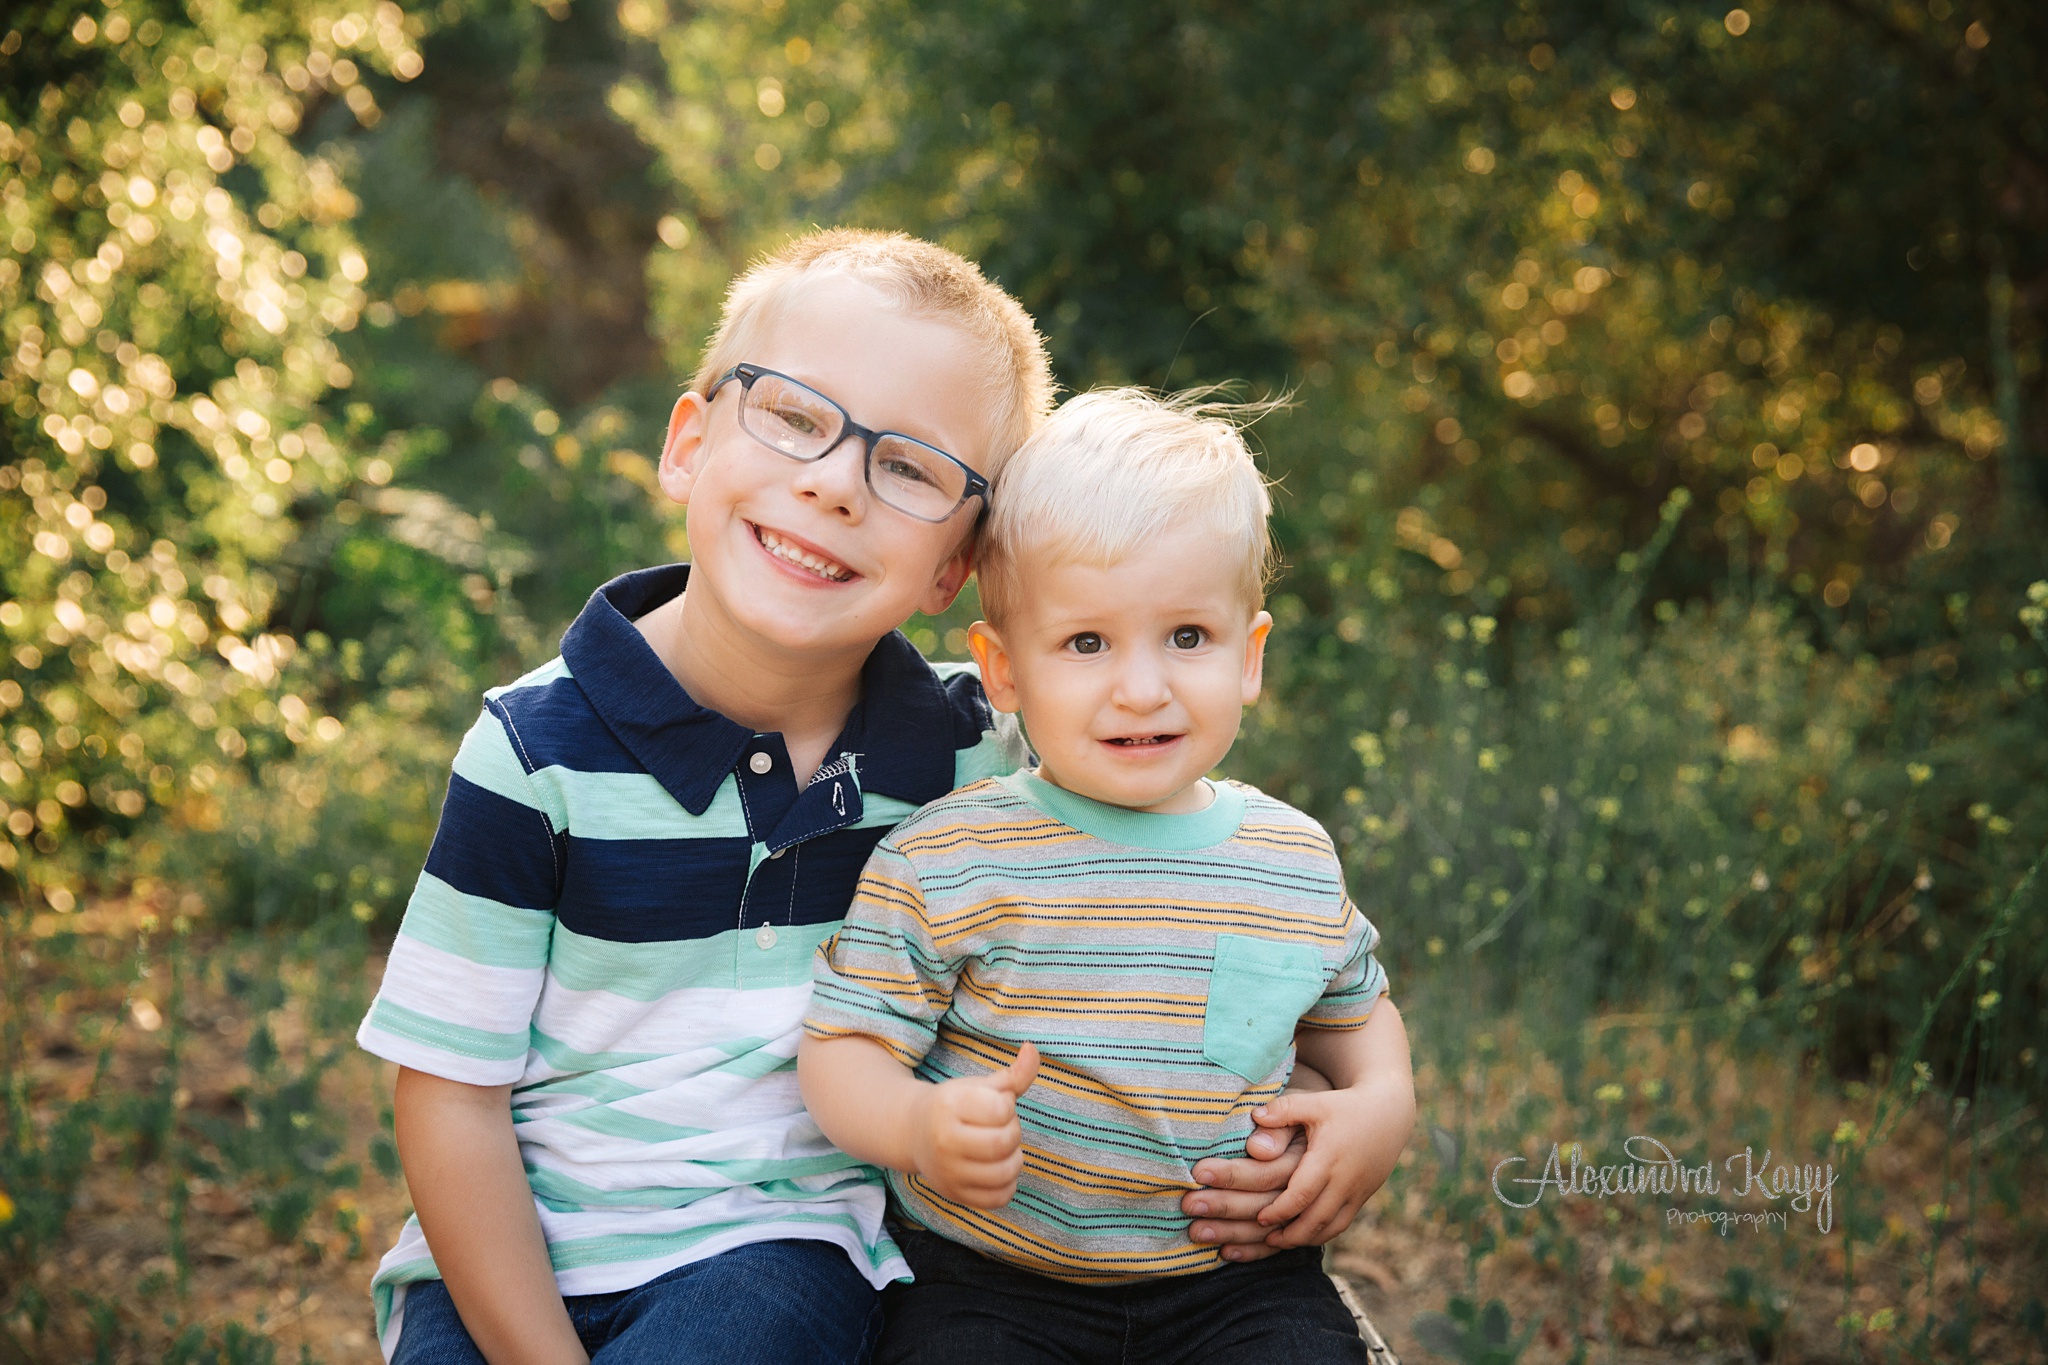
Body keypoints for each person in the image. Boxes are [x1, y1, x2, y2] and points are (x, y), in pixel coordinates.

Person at [355, 232, 1372, 1364]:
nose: (833, 481)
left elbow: (1181, 925)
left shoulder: (978, 759)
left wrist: (1344, 1112)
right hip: (501, 1257)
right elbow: (448, 1095)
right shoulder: (530, 754)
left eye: (911, 468)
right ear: (689, 443)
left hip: (773, 1249)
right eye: (792, 415)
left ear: (953, 569)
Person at [799, 387, 1417, 1363]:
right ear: (1004, 674)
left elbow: (1355, 1018)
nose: (1141, 686)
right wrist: (917, 1123)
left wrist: (1379, 1108)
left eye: (1186, 637)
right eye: (1086, 643)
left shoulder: (1286, 858)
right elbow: (840, 1051)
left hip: (1235, 1280)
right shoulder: (947, 858)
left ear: (1247, 655)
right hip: (993, 1281)